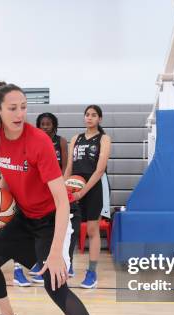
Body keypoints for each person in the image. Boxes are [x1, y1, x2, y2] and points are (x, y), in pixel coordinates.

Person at [0, 82, 125, 315]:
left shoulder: (38, 142)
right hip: (24, 217)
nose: (20, 113)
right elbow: (8, 176)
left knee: (55, 285)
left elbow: (61, 202)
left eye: (23, 107)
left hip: (54, 218)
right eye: (13, 108)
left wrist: (56, 252)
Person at [64, 105, 111, 288]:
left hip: (93, 188)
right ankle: (68, 265)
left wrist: (82, 192)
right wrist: (64, 188)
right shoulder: (76, 138)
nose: (89, 118)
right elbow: (69, 167)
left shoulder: (104, 139)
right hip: (73, 188)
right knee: (69, 229)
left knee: (92, 230)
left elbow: (100, 170)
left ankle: (91, 272)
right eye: (87, 115)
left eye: (93, 115)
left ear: (99, 119)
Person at [31, 112, 79, 283]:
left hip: (57, 185)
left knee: (64, 226)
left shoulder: (61, 141)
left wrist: (63, 185)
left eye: (48, 124)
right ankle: (40, 261)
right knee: (43, 226)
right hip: (41, 188)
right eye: (42, 124)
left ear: (54, 125)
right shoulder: (35, 142)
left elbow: (65, 165)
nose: (45, 126)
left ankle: (68, 261)